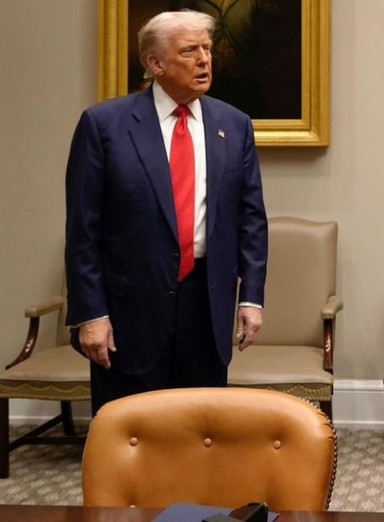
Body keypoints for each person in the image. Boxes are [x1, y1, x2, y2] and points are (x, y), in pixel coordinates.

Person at [65, 10, 268, 414]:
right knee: (131, 430)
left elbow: (251, 220)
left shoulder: (234, 125)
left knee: (200, 427)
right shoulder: (104, 125)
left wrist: (252, 298)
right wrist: (91, 314)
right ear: (156, 64)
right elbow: (83, 232)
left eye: (207, 49)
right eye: (190, 51)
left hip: (205, 305)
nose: (205, 60)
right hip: (130, 312)